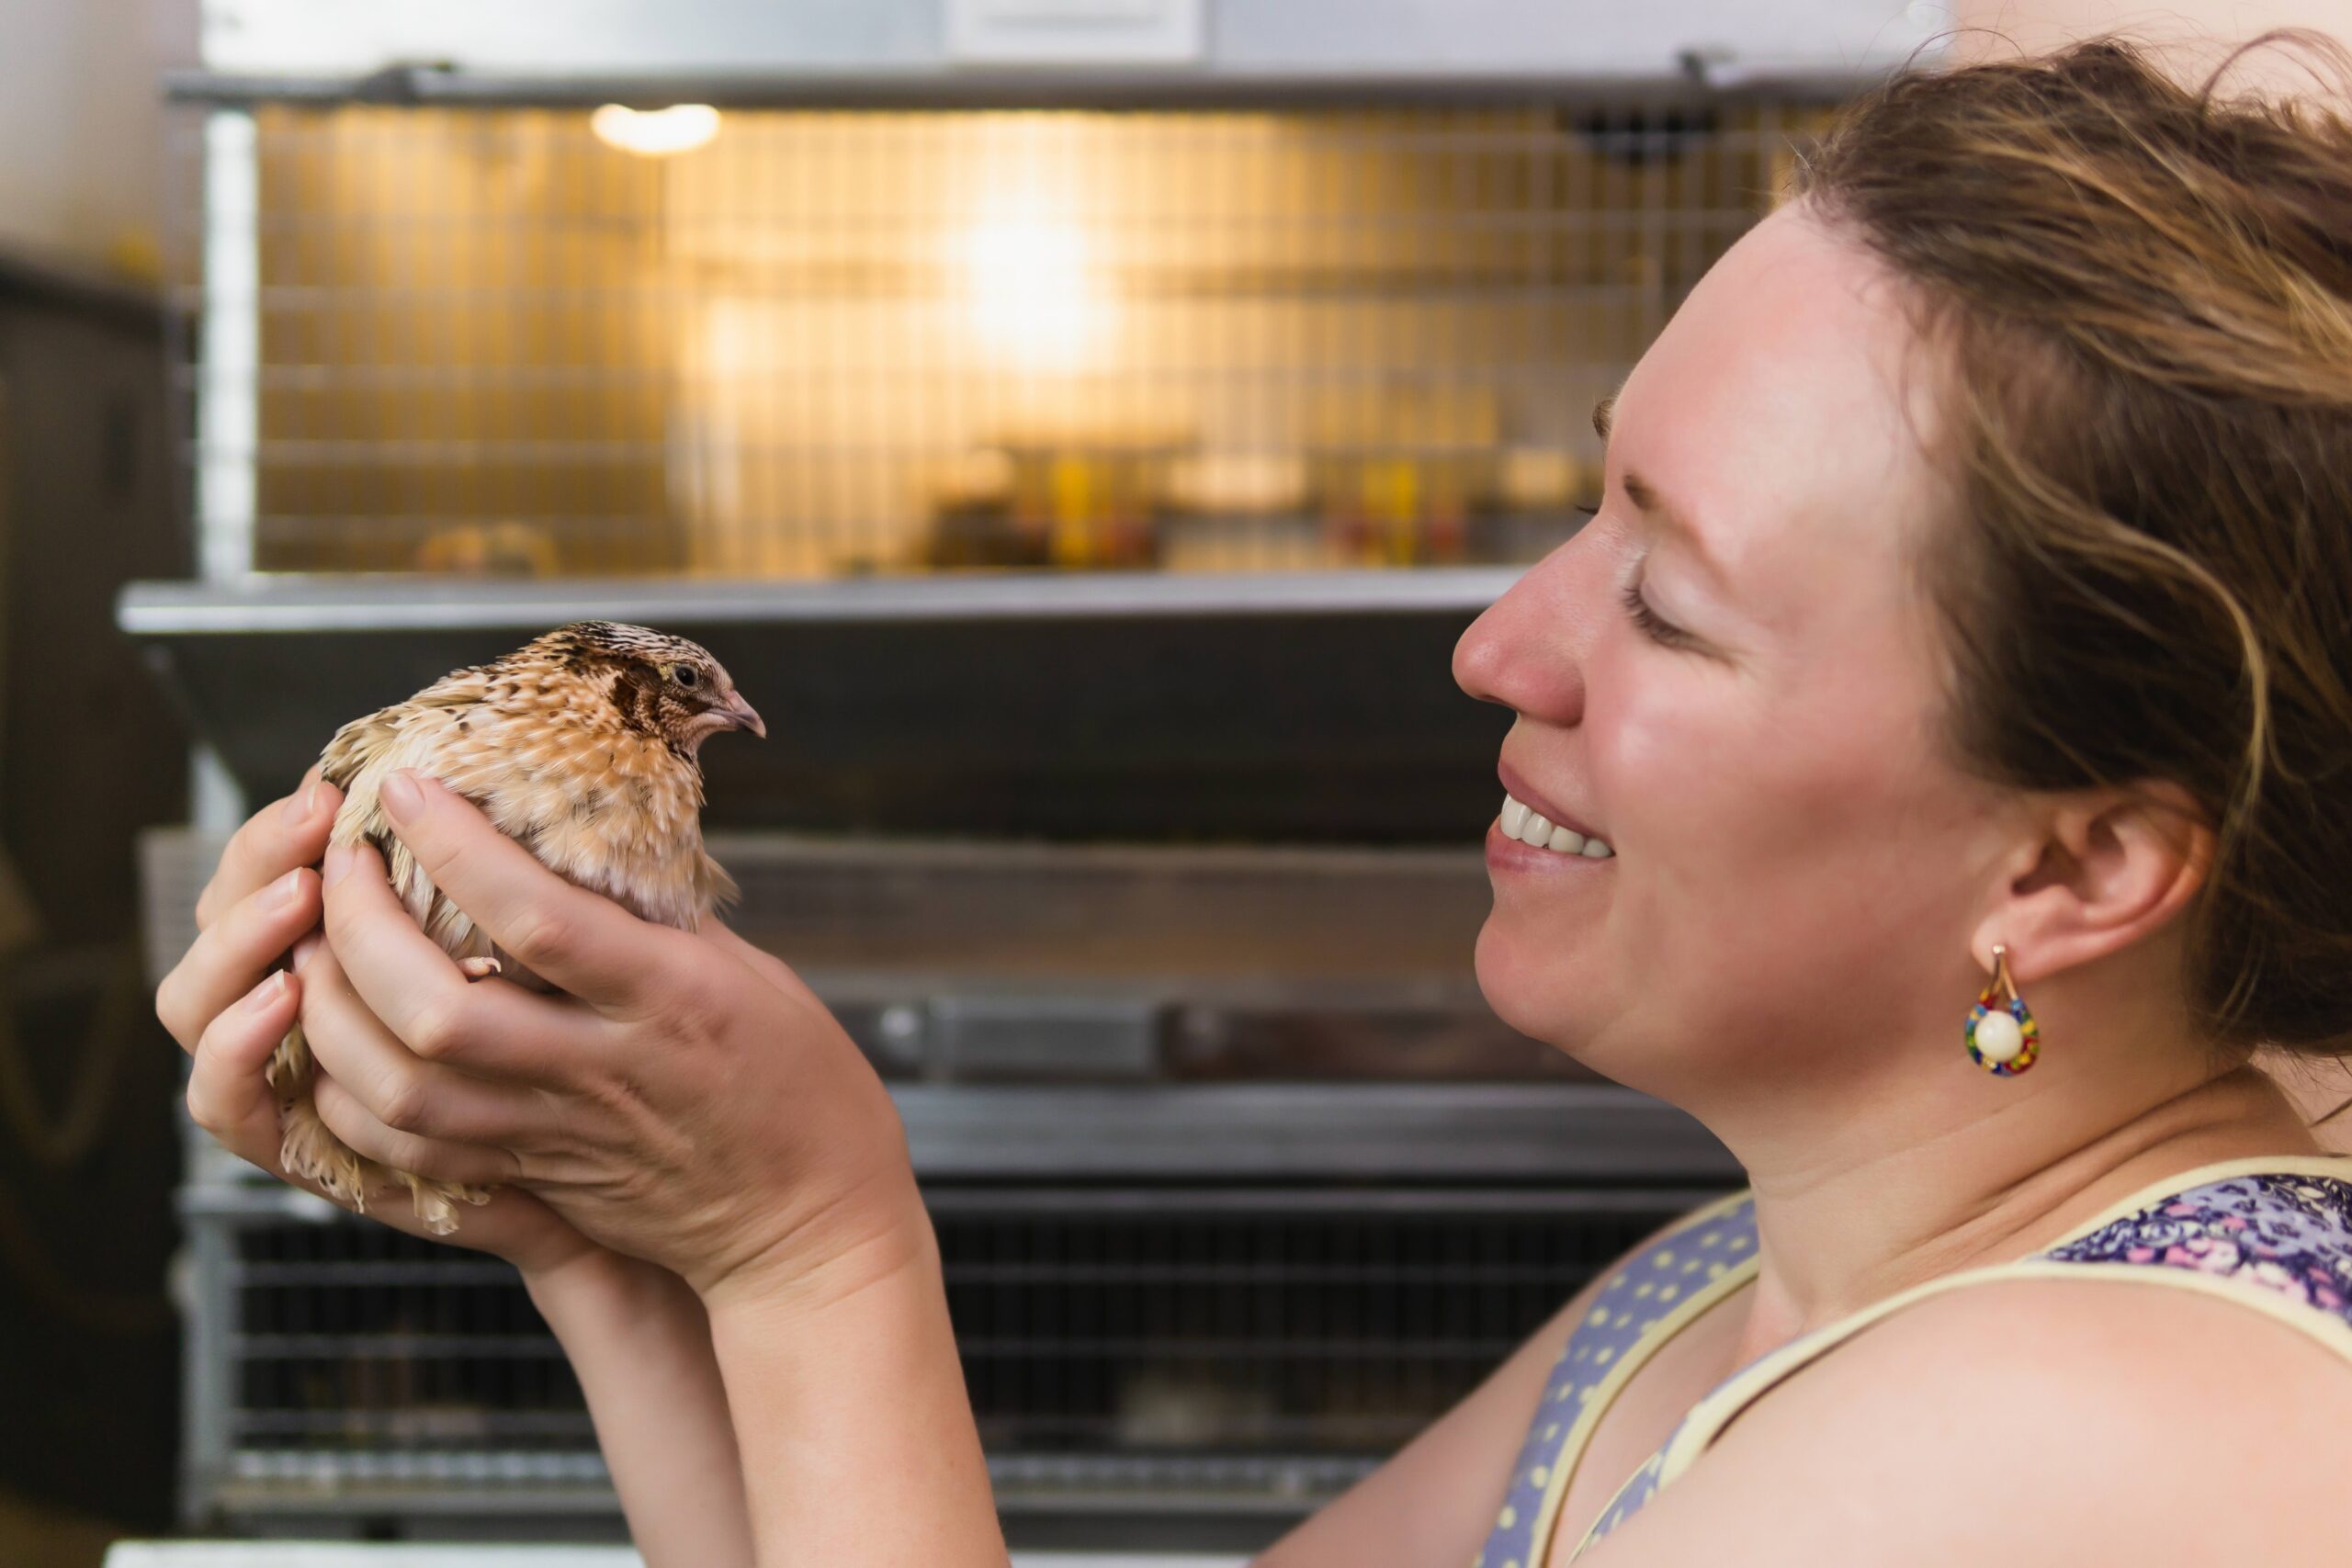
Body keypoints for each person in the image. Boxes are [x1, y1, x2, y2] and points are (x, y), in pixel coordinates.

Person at [156, 35, 2352, 1567]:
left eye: (1664, 607)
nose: (1499, 641)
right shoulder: (1709, 1304)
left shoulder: (2096, 1431)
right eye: (1587, 504)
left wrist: (817, 1241)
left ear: (2073, 861)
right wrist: (614, 1236)